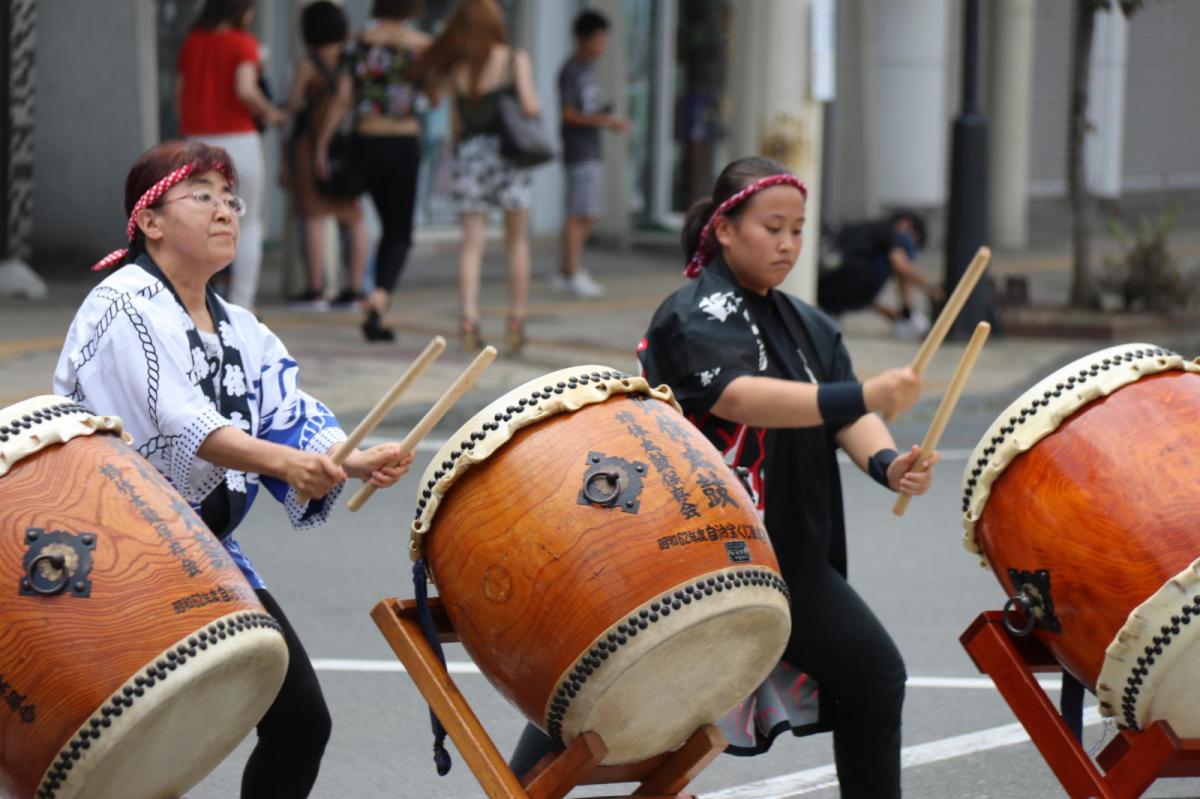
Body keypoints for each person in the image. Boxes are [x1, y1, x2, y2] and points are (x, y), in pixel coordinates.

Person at [506, 157, 940, 796]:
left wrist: (887, 462)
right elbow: (737, 397)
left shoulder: (811, 325)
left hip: (789, 558)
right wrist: (863, 392)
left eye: (797, 229)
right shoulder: (693, 314)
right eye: (773, 227)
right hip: (688, 554)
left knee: (873, 677)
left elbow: (852, 414)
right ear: (726, 229)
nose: (789, 243)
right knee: (600, 686)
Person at [56, 140, 415, 798]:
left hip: (200, 554)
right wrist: (289, 463)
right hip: (111, 559)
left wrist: (351, 460)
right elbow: (183, 420)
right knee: (123, 748)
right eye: (203, 197)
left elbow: (288, 411)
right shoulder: (123, 306)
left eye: (231, 199)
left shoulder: (239, 326)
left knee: (301, 720)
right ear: (151, 222)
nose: (226, 211)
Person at [413, 0, 540, 353]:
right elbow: (530, 106)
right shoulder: (515, 59)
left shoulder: (458, 68)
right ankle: (516, 320)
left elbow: (455, 126)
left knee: (472, 242)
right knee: (517, 240)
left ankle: (469, 318)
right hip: (509, 157)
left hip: (471, 156)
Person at [316, 0, 430, 341]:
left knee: (363, 217)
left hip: (367, 141)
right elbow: (435, 95)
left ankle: (361, 289)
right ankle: (378, 296)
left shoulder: (358, 44)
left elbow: (342, 99)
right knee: (399, 230)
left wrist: (322, 144)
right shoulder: (423, 46)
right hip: (403, 142)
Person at [177, 0, 287, 313]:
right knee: (248, 221)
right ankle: (242, 304)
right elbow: (246, 90)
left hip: (195, 141)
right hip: (238, 139)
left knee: (197, 221)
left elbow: (179, 95)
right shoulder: (243, 43)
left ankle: (194, 302)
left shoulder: (192, 43)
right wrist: (270, 114)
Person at [281, 0, 370, 312]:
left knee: (314, 216)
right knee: (354, 217)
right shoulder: (352, 58)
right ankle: (355, 289)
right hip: (348, 147)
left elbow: (293, 106)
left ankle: (315, 289)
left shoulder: (308, 63)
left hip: (312, 144)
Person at [552, 9, 630, 300]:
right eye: (598, 40)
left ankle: (567, 269)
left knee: (588, 212)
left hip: (590, 147)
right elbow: (569, 114)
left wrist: (604, 118)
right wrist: (605, 121)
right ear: (581, 39)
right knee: (579, 213)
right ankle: (570, 272)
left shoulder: (588, 70)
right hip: (578, 148)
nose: (602, 47)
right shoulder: (570, 71)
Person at [816, 210, 943, 340]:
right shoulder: (891, 231)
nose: (913, 245)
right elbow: (901, 266)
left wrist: (887, 313)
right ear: (906, 224)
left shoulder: (863, 234)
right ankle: (908, 316)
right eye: (915, 240)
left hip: (825, 293)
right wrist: (930, 288)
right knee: (902, 253)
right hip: (838, 290)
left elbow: (859, 290)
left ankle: (905, 318)